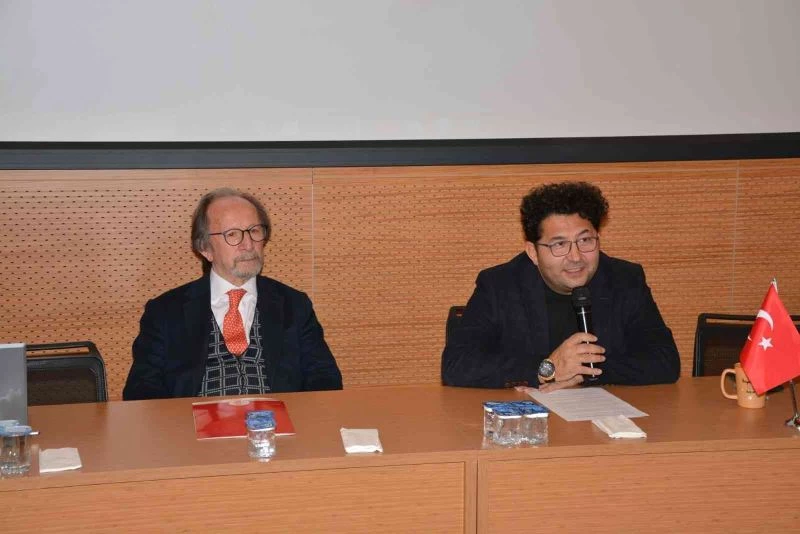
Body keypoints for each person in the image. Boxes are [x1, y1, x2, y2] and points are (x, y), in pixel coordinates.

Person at [441, 181, 679, 391]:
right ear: (533, 252)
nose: (576, 257)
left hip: (604, 417)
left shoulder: (625, 280)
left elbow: (665, 361)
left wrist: (582, 371)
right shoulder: (499, 286)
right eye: (559, 244)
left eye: (585, 240)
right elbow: (456, 365)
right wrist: (548, 369)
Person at [123, 188, 342, 400]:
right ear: (205, 248)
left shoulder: (294, 305)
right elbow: (142, 389)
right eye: (232, 234)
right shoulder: (165, 312)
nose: (248, 244)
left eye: (254, 231)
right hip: (192, 423)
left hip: (277, 423)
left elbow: (325, 378)